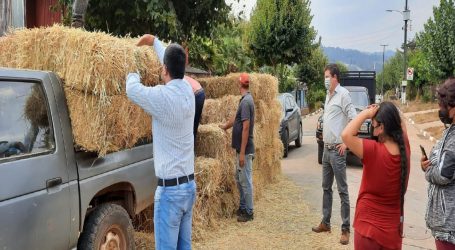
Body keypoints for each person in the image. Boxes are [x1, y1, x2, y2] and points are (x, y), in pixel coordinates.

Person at [127, 34, 196, 249]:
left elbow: (131, 89)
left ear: (164, 69)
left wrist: (131, 63)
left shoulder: (162, 98)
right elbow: (172, 60)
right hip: (188, 186)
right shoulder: (188, 90)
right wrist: (155, 42)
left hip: (170, 193)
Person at [342, 102, 410, 250]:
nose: (373, 131)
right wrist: (387, 111)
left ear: (382, 127)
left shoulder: (373, 151)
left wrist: (366, 113)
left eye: (374, 126)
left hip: (367, 229)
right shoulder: (405, 149)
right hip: (392, 234)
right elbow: (401, 122)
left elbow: (346, 135)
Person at [312, 64, 357, 245]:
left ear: (335, 77)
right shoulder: (328, 96)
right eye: (325, 76)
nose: (325, 79)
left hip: (338, 151)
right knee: (326, 188)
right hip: (326, 149)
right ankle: (326, 222)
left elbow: (354, 119)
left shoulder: (343, 94)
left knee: (342, 190)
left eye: (327, 76)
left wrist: (346, 143)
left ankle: (345, 229)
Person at [137, 34, 205, 143]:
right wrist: (134, 46)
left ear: (165, 69)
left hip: (196, 94)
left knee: (189, 129)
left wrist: (133, 58)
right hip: (195, 90)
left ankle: (190, 147)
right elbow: (151, 39)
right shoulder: (173, 62)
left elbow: (133, 91)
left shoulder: (166, 92)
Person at [421, 77, 455, 250]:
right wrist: (427, 164)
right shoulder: (450, 132)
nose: (440, 109)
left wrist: (428, 171)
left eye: (443, 106)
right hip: (445, 225)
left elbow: (443, 174)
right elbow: (436, 158)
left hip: (450, 228)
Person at [220, 73, 255, 222]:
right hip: (241, 150)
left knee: (245, 181)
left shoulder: (246, 102)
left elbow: (246, 128)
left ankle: (249, 211)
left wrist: (241, 153)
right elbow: (236, 119)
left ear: (239, 85)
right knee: (240, 179)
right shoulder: (245, 100)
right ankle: (242, 206)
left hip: (245, 151)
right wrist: (224, 126)